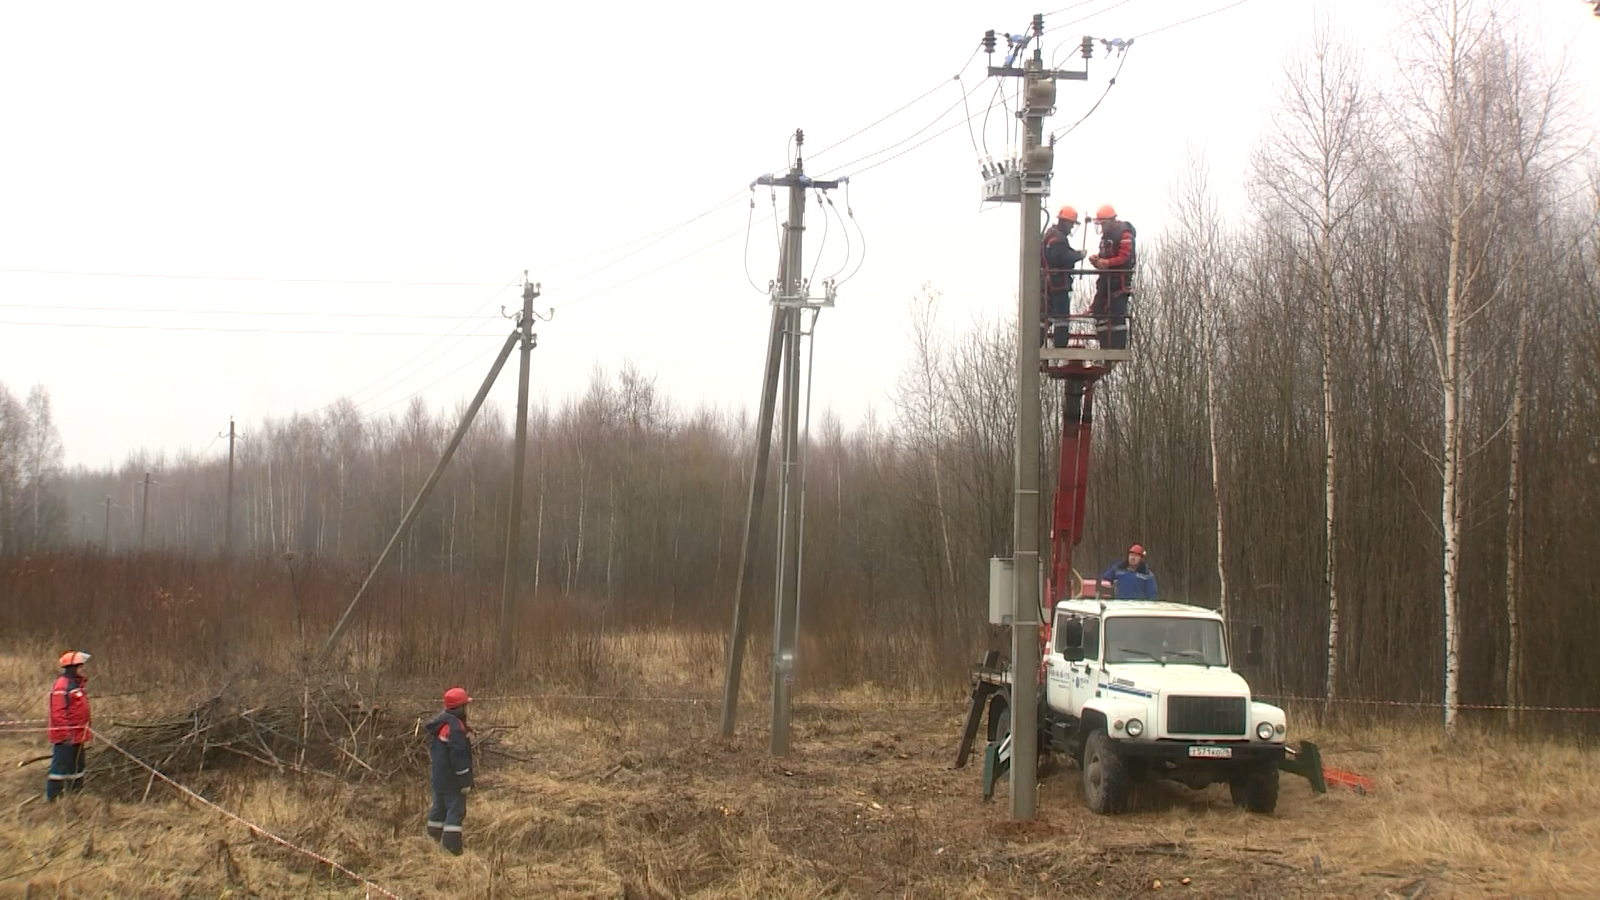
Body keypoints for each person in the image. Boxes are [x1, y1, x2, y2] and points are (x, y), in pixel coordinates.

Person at [425, 687, 475, 855]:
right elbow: (459, 758)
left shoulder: (441, 723)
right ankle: (451, 848)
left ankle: (431, 841)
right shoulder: (456, 728)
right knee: (455, 812)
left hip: (439, 778)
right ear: (460, 708)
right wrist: (465, 781)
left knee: (438, 809)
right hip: (453, 781)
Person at [1087, 204, 1137, 350]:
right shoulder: (1107, 236)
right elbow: (1106, 256)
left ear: (1110, 221)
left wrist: (1107, 263)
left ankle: (1118, 347)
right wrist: (1098, 260)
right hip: (1105, 281)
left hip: (1119, 281)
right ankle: (1105, 345)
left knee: (1117, 315)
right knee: (1098, 310)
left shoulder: (1125, 234)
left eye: (1103, 224)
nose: (1101, 227)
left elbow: (1125, 257)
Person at [46, 651, 92, 801]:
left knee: (77, 766)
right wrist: (66, 735)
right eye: (80, 666)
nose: (83, 669)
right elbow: (58, 714)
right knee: (60, 768)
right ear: (72, 667)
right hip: (65, 737)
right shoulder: (62, 685)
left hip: (78, 735)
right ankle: (53, 798)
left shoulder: (77, 684)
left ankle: (75, 796)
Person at [1041, 205, 1086, 347]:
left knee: (1045, 313)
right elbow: (1060, 257)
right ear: (1065, 222)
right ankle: (1060, 343)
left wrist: (1075, 254)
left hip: (1050, 282)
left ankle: (1039, 342)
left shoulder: (1052, 235)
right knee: (1061, 315)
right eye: (1071, 224)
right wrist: (1078, 255)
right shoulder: (1057, 238)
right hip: (1058, 284)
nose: (1071, 228)